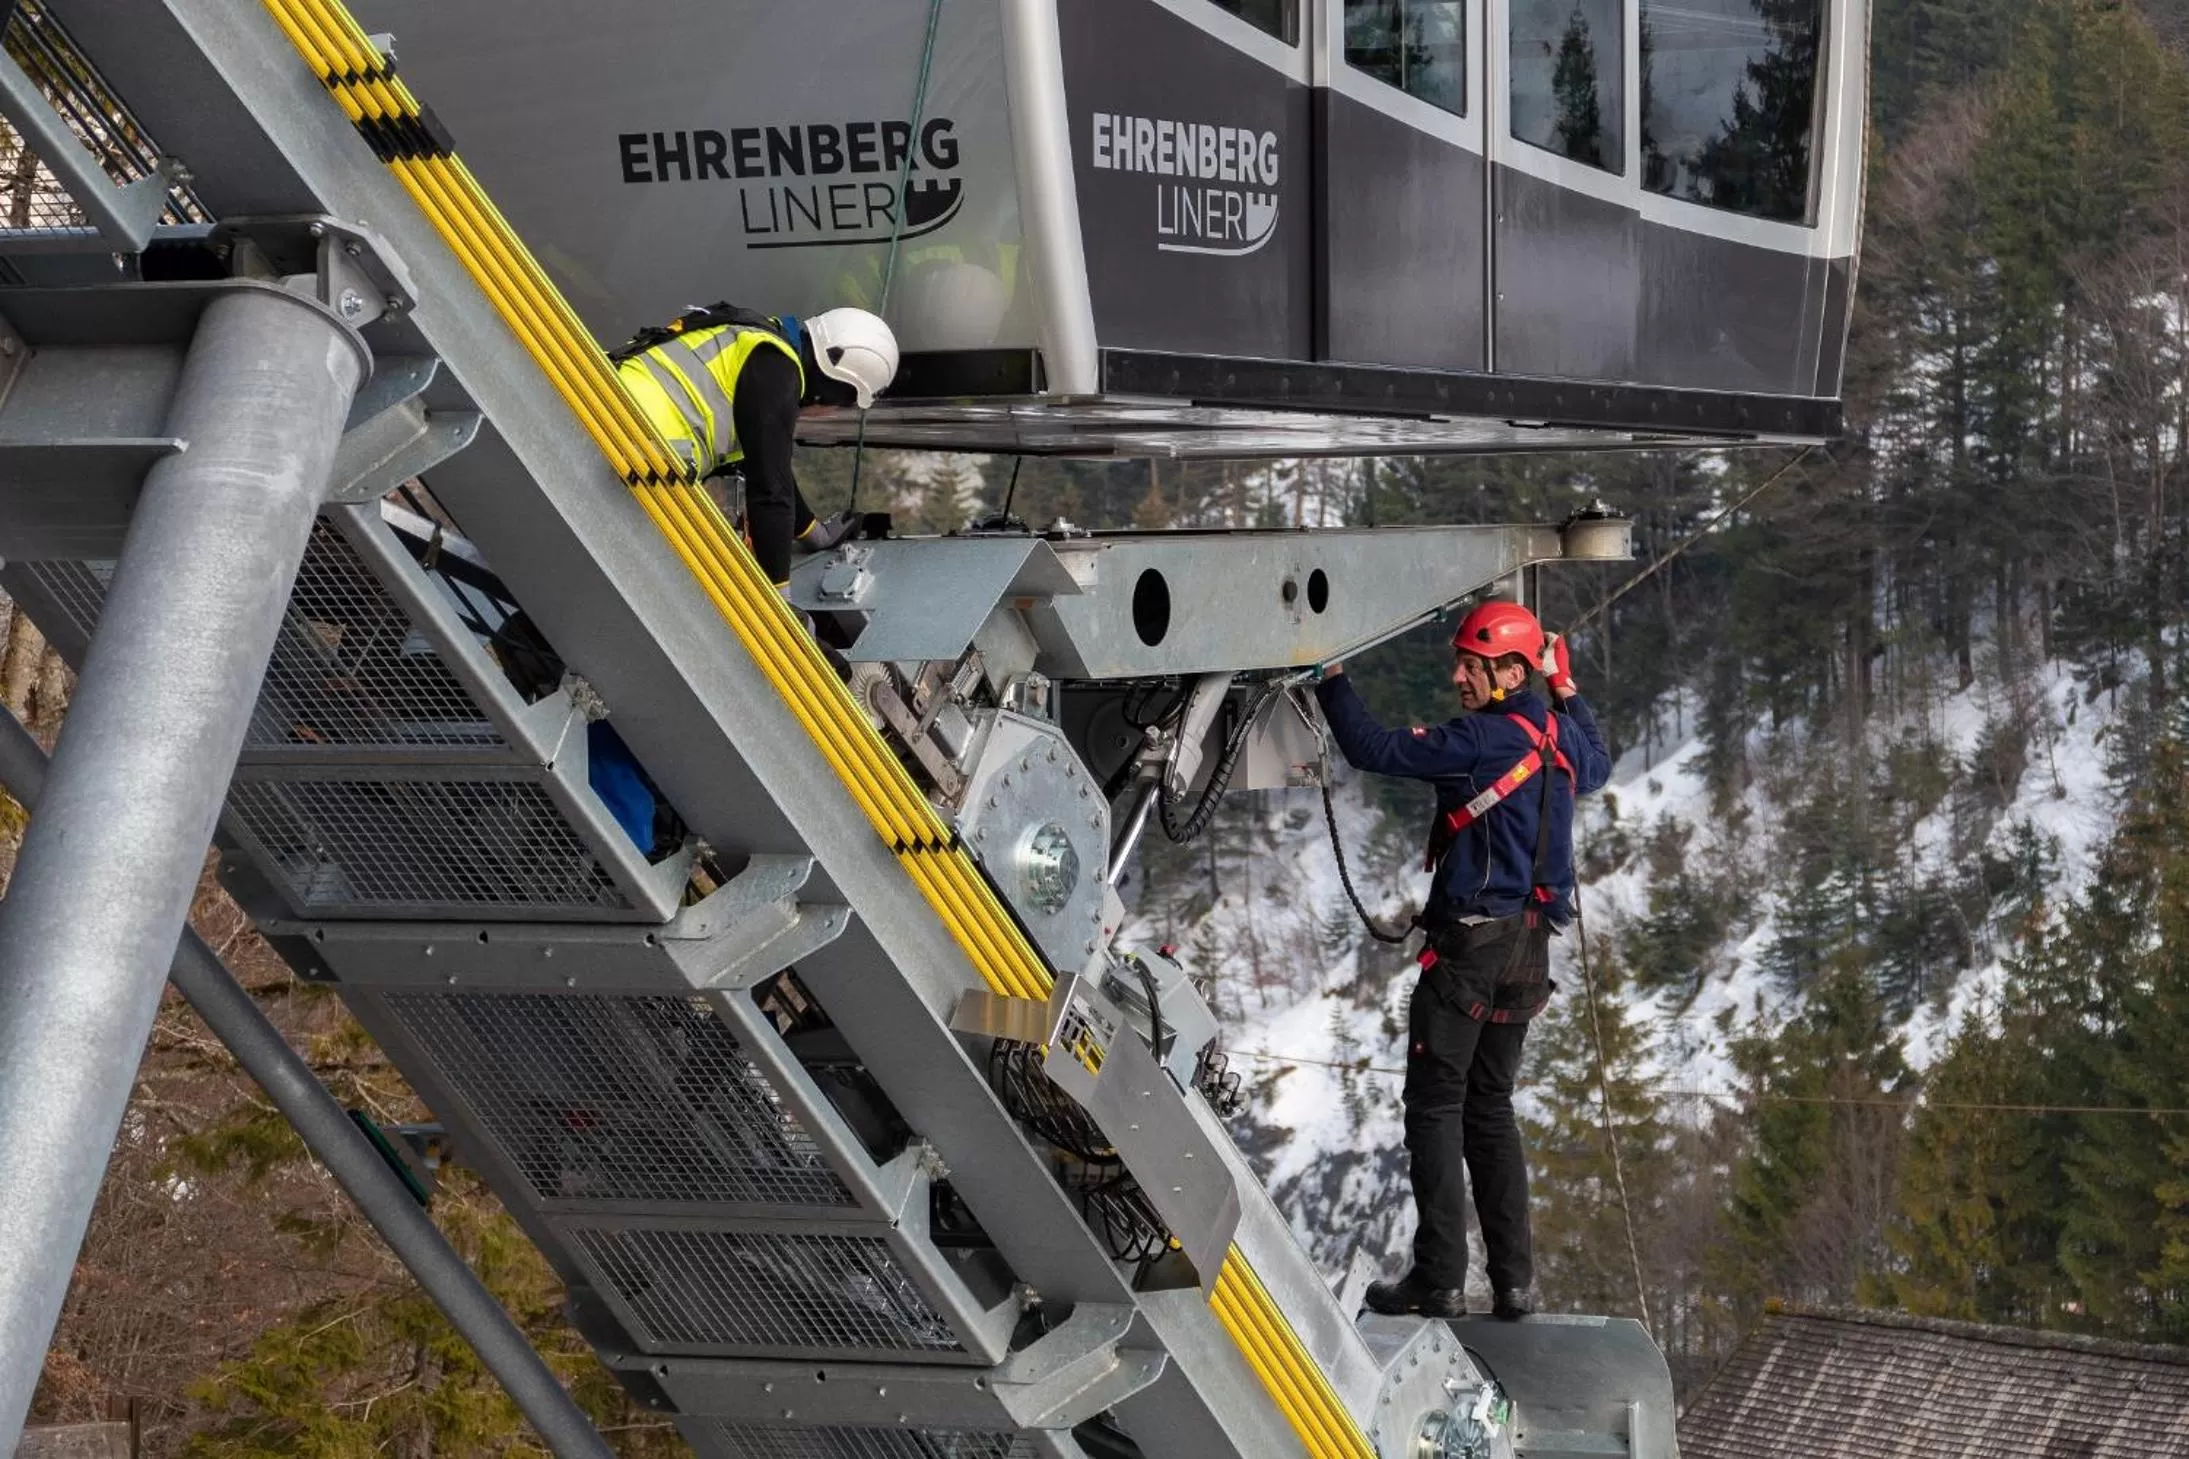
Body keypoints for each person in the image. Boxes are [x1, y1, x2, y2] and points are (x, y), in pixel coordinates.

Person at [1316, 599, 1611, 1320]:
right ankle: (1513, 1282)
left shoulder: (1479, 738)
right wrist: (1563, 687)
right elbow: (1597, 764)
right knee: (1489, 1109)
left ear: (1511, 670)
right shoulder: (1559, 734)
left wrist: (1327, 675)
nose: (1458, 677)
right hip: (1530, 951)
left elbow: (1373, 749)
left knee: (1436, 1108)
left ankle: (1440, 1278)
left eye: (1472, 666)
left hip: (1469, 951)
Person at [613, 304, 899, 587]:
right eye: (841, 404)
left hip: (608, 412)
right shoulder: (777, 369)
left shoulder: (759, 344)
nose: (832, 412)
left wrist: (812, 532)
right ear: (834, 386)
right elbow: (770, 491)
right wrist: (781, 601)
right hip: (630, 444)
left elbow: (771, 469)